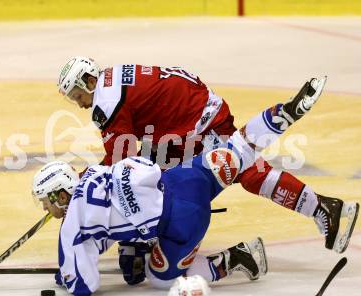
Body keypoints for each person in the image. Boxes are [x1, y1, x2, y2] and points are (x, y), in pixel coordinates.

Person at [32, 87, 359, 295]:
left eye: (47, 202)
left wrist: (66, 275)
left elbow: (84, 285)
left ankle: (233, 260)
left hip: (183, 224)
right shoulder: (99, 170)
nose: (48, 209)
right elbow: (145, 169)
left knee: (158, 277)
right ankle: (282, 114)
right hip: (183, 180)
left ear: (61, 194)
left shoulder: (72, 224)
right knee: (240, 148)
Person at [56, 57, 354, 254]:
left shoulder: (106, 102)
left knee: (243, 170)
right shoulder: (113, 77)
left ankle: (321, 208)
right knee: (162, 170)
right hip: (190, 116)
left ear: (88, 82)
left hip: (197, 122)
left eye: (76, 96)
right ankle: (154, 230)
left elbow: (119, 162)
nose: (79, 104)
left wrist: (79, 187)